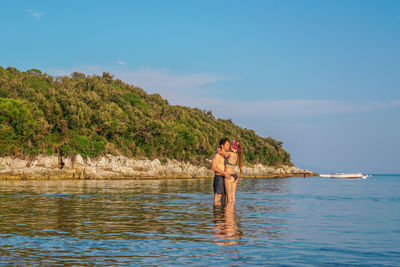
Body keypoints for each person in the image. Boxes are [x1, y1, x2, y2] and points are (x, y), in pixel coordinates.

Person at [211, 138, 232, 205]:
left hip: (225, 178)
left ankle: (223, 214)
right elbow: (213, 167)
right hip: (219, 177)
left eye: (229, 145)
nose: (229, 146)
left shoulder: (225, 155)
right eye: (227, 145)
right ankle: (217, 214)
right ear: (222, 146)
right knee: (217, 198)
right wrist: (224, 173)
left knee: (225, 197)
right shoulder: (217, 155)